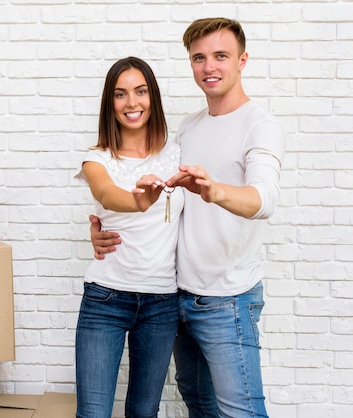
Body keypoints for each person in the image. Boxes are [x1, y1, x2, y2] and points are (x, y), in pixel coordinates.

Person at [90, 18, 286, 418]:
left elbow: (264, 198)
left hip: (228, 300)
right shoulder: (188, 129)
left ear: (242, 60)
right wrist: (102, 229)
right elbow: (154, 203)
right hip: (175, 299)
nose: (209, 66)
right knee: (199, 405)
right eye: (199, 57)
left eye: (220, 56)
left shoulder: (260, 126)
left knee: (242, 411)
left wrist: (217, 192)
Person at [74, 57, 184, 418]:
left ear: (153, 96)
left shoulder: (178, 152)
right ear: (110, 103)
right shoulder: (97, 159)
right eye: (120, 94)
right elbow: (107, 195)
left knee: (143, 411)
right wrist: (138, 200)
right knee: (93, 413)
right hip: (106, 299)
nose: (131, 103)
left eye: (140, 91)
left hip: (161, 303)